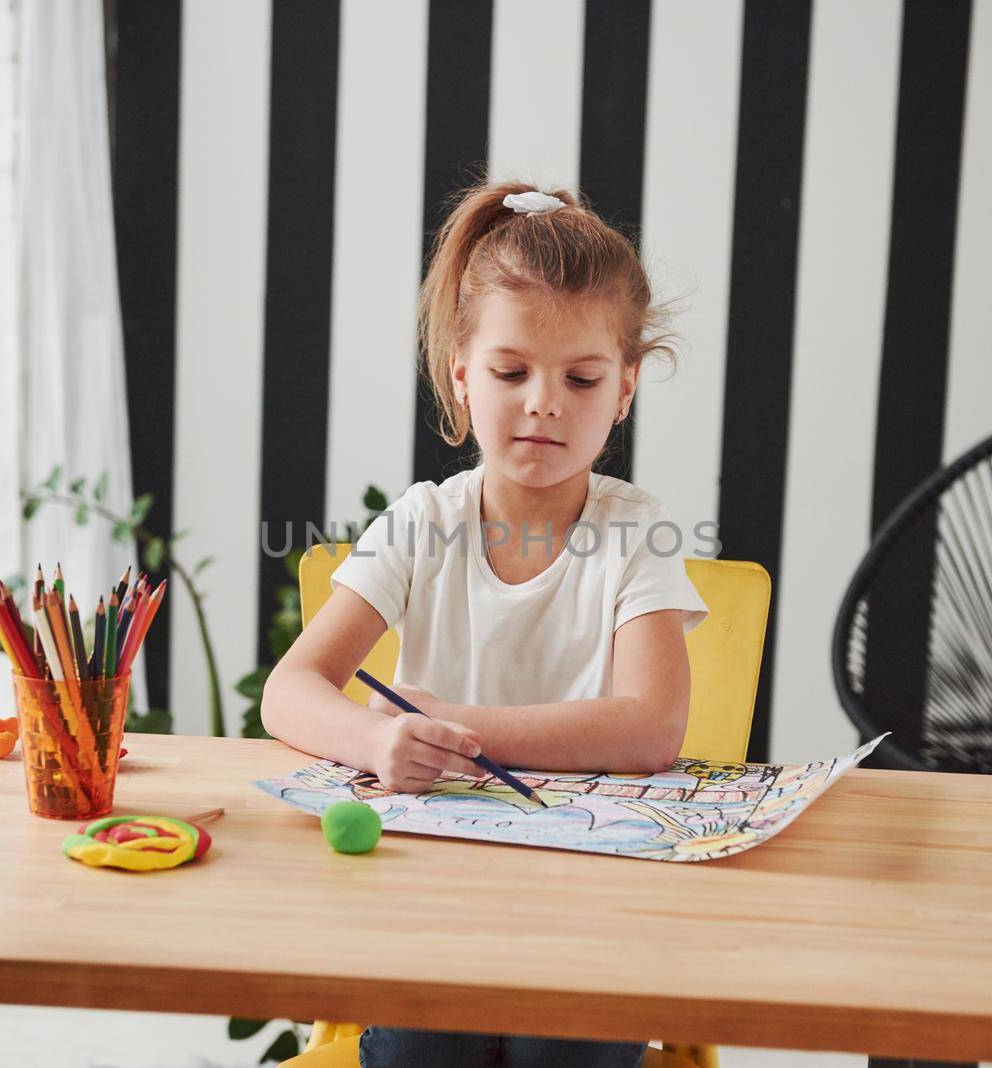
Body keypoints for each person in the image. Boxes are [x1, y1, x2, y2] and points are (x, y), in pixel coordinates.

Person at [261, 179, 710, 1068]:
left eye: (580, 378)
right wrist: (377, 741)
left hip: (589, 901)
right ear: (461, 374)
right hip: (438, 898)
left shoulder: (636, 531)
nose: (543, 401)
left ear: (623, 390)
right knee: (427, 1043)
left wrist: (455, 731)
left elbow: (653, 729)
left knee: (560, 1050)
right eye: (511, 373)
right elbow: (289, 691)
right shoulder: (423, 523)